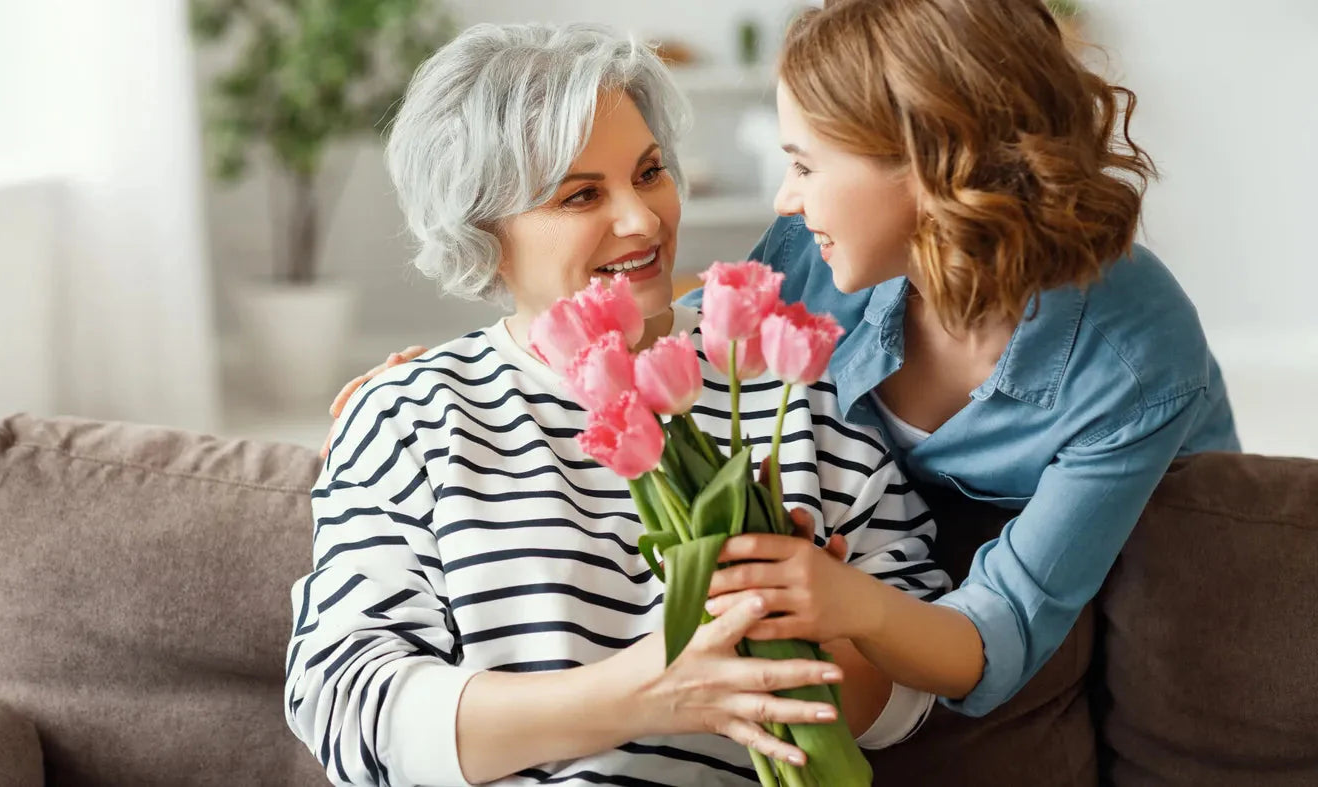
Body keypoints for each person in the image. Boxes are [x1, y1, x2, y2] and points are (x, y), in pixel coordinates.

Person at [332, 0, 1240, 724]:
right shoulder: (824, 257)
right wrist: (472, 372)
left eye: (804, 164)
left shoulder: (1131, 355)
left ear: (930, 167)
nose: (784, 196)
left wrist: (852, 602)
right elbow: (700, 328)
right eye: (581, 192)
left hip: (1113, 550)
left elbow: (1001, 630)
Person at [288, 22, 950, 787]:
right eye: (581, 195)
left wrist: (807, 630)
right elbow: (345, 705)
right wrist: (649, 691)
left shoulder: (800, 387)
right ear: (483, 233)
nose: (642, 219)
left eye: (649, 172)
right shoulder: (413, 415)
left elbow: (911, 692)